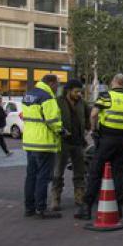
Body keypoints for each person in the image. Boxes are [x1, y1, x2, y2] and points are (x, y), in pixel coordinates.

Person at [79, 74, 123, 220]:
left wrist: (94, 130)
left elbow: (94, 114)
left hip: (107, 139)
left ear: (113, 82)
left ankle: (86, 208)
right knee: (118, 174)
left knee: (95, 172)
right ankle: (118, 209)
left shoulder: (106, 96)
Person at [21, 74, 63, 219]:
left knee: (31, 176)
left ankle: (29, 208)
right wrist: (61, 130)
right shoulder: (47, 97)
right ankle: (41, 208)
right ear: (51, 83)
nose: (57, 87)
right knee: (43, 177)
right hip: (44, 143)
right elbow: (52, 120)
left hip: (30, 141)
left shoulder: (28, 95)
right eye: (57, 84)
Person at [49, 79, 90, 213]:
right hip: (62, 142)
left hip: (78, 142)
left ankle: (79, 197)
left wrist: (88, 128)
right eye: (76, 92)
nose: (79, 94)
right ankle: (55, 199)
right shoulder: (58, 102)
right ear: (68, 91)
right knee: (58, 172)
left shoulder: (82, 103)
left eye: (80, 92)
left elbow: (89, 116)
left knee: (80, 172)